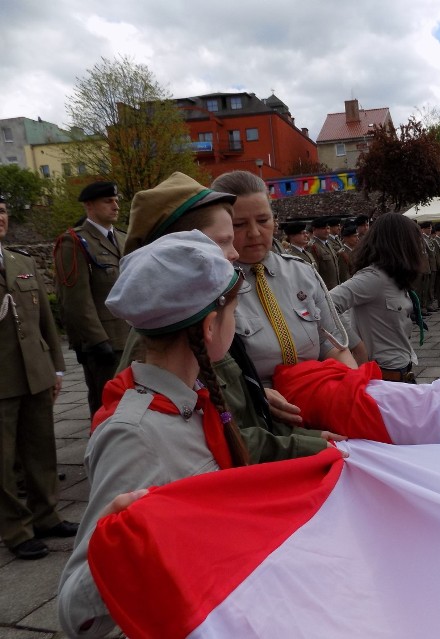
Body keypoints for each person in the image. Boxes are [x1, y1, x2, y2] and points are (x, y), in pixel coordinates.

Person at [58, 231, 252, 636]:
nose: (242, 322)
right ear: (211, 327)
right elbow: (78, 616)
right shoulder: (135, 435)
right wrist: (117, 547)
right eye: (236, 310)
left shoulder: (196, 400)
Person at [118, 171, 332, 463]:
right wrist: (315, 447)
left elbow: (238, 412)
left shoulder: (208, 312)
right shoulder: (166, 337)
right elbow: (216, 436)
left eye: (263, 220)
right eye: (223, 240)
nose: (234, 253)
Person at [210, 170, 356, 387]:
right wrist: (255, 397)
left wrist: (355, 386)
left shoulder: (302, 273)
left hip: (319, 396)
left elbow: (332, 344)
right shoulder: (210, 286)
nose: (255, 233)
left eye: (263, 220)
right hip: (254, 412)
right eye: (238, 224)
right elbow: (207, 370)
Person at [0, 196, 76, 560]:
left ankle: (47, 516)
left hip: (36, 373)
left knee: (42, 449)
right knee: (4, 459)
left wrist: (57, 367)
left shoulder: (21, 262)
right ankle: (17, 530)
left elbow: (46, 322)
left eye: (1, 212)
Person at [53, 181, 129, 416]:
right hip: (105, 343)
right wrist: (97, 341)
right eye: (108, 201)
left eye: (116, 200)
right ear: (89, 205)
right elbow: (76, 299)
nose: (115, 206)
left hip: (130, 337)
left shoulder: (123, 238)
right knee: (107, 408)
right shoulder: (74, 241)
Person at [330, 214, 423, 382]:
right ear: (400, 244)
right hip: (383, 376)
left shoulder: (394, 276)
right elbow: (327, 304)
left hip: (402, 369)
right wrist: (357, 346)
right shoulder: (374, 278)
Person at [308, 217, 341, 289]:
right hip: (324, 290)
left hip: (335, 287)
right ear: (314, 229)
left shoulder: (328, 244)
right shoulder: (313, 247)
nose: (327, 231)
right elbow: (315, 273)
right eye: (323, 228)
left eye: (328, 228)